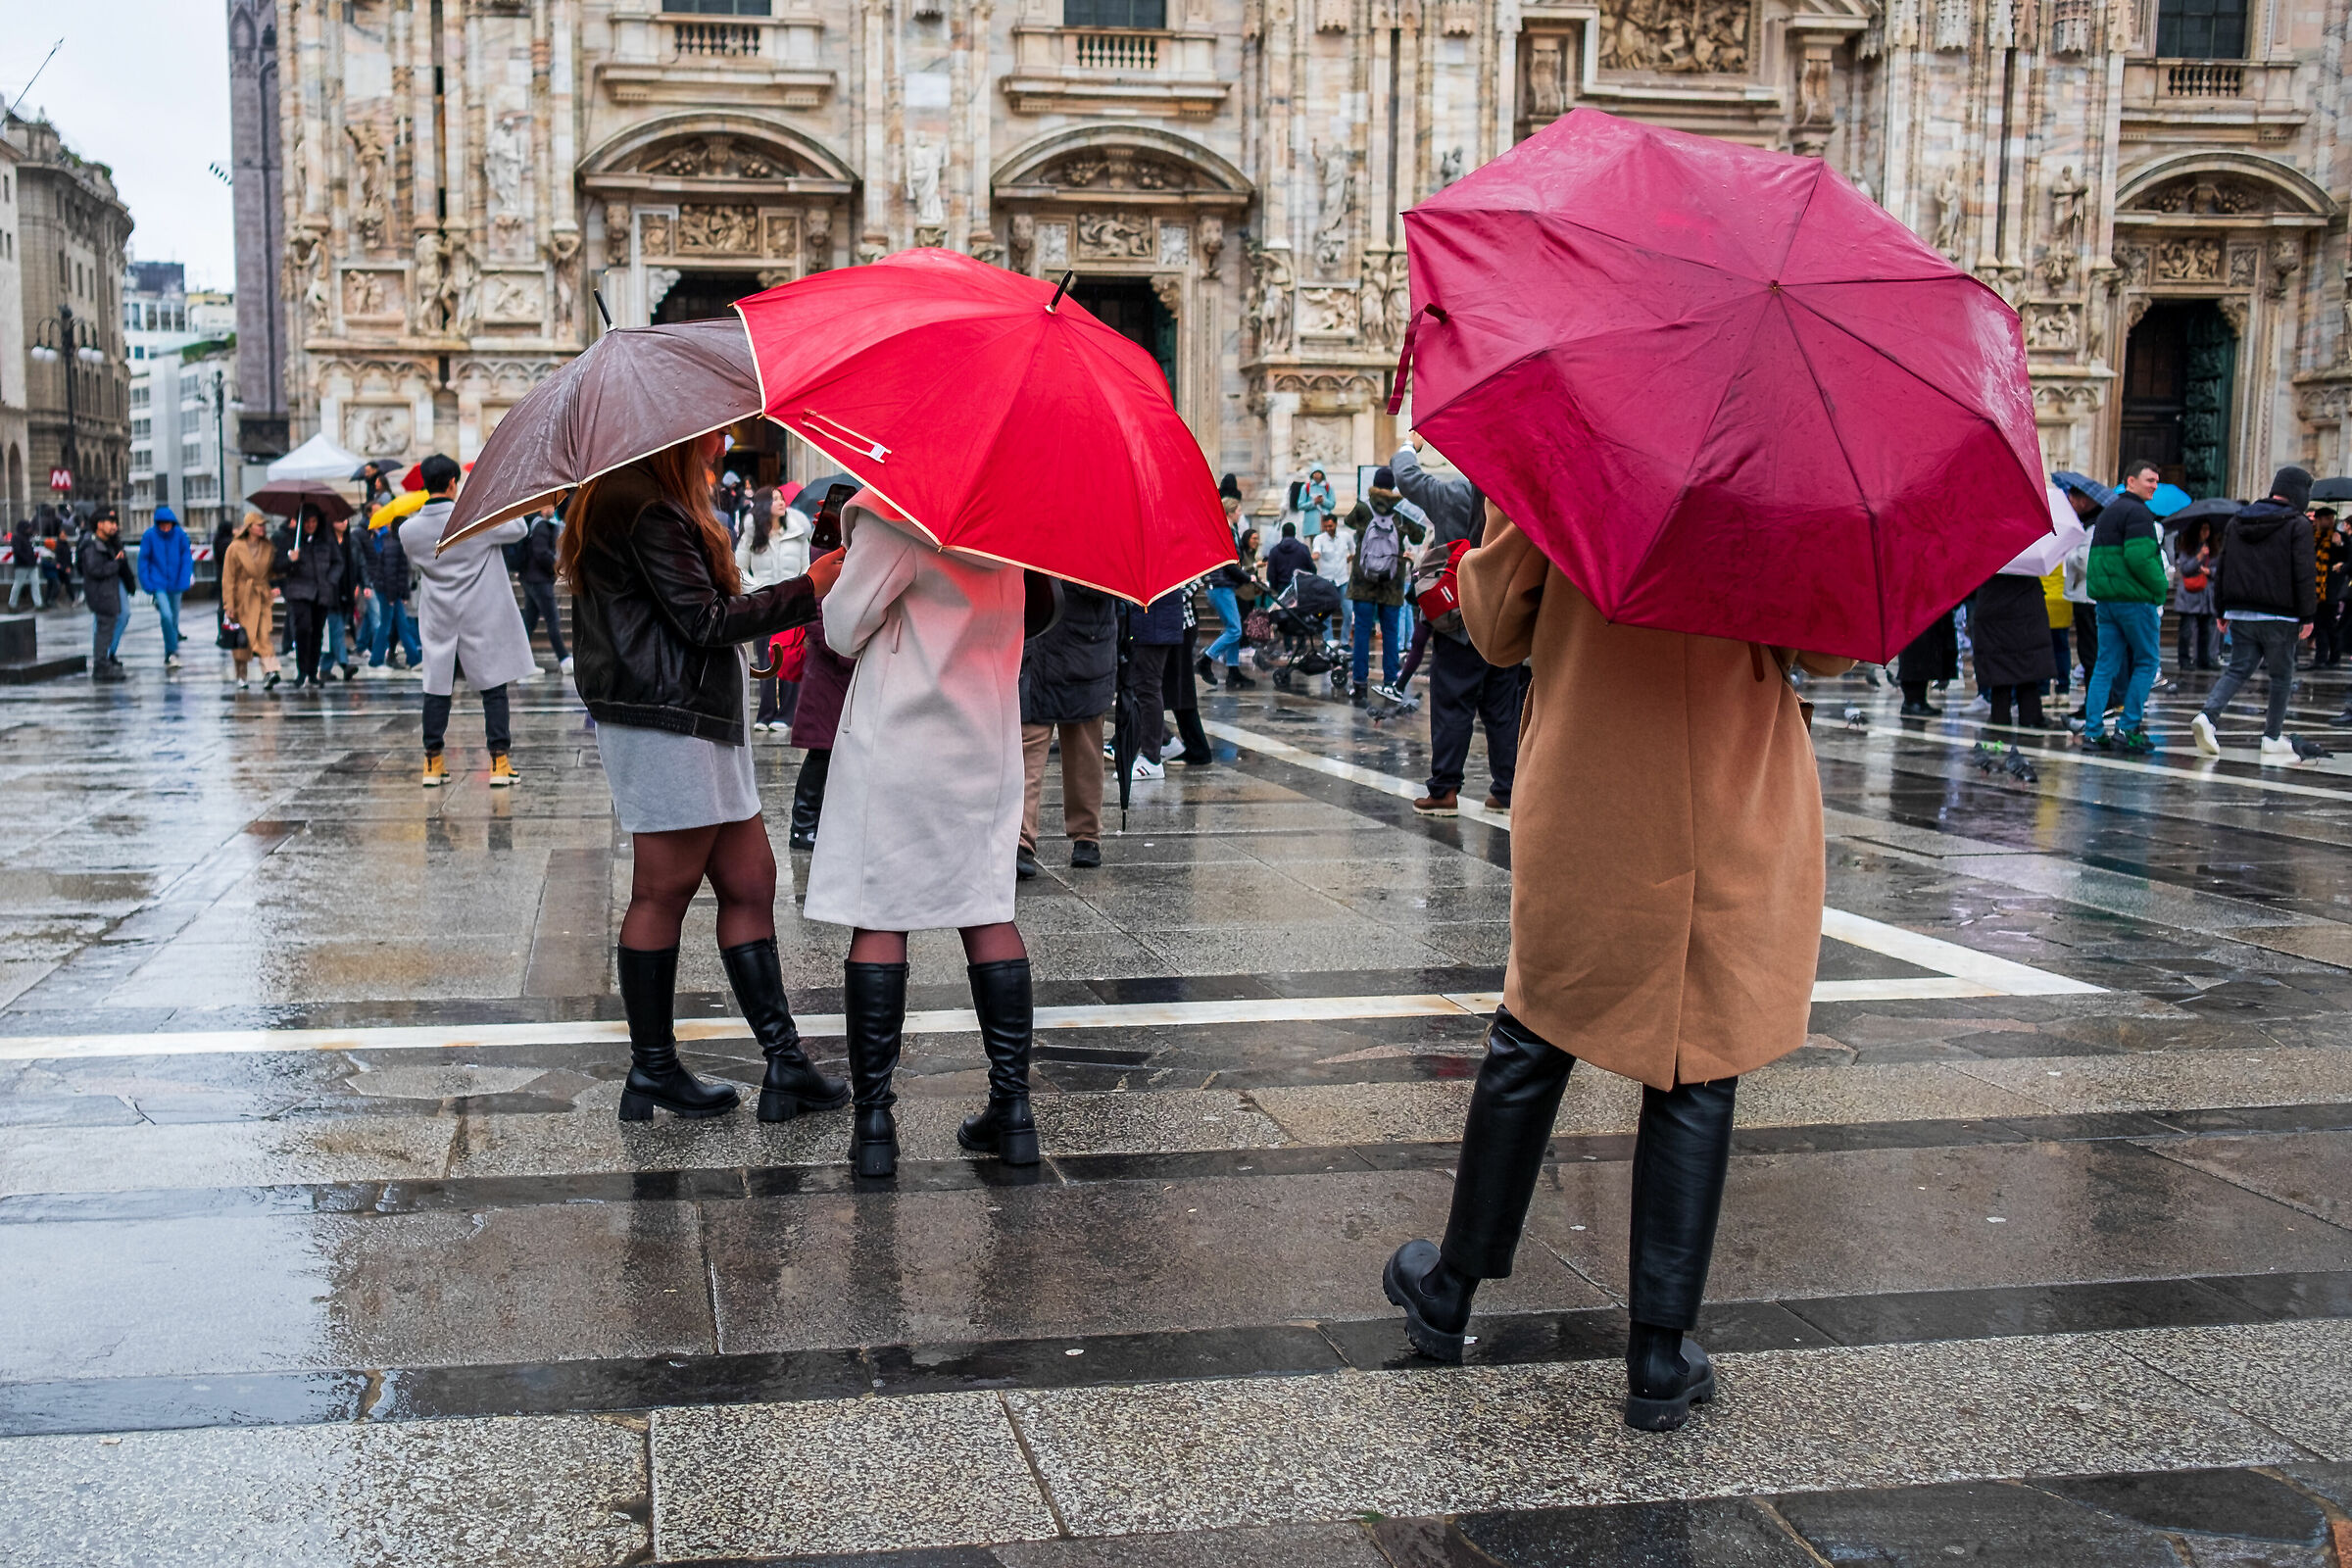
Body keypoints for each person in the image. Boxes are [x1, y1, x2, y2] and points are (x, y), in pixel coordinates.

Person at [1383, 500, 1853, 1433]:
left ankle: (1449, 1291)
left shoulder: (1568, 464)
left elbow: (1495, 628)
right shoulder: (1778, 484)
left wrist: (1485, 543)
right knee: (1698, 1060)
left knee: (1535, 1031)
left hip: (1593, 790)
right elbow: (1828, 650)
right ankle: (1658, 1358)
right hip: (1732, 796)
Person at [564, 435, 844, 1125]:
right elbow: (703, 620)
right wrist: (807, 589)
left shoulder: (649, 501)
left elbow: (687, 607)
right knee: (663, 891)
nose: (720, 447)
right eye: (712, 436)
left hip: (697, 716)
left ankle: (785, 1063)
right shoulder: (640, 505)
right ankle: (653, 1068)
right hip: (668, 720)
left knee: (750, 880)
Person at [805, 491, 1041, 1179]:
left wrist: (848, 558)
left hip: (901, 738)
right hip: (984, 733)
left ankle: (875, 1123)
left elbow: (842, 629)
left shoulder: (897, 511)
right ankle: (1013, 1111)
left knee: (880, 914)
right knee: (988, 908)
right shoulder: (1009, 516)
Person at [400, 455, 536, 787]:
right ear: (452, 483)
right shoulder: (473, 519)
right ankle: (499, 763)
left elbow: (418, 562)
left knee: (436, 688)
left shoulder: (408, 531)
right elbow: (519, 528)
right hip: (480, 615)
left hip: (439, 617)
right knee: (494, 688)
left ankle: (432, 763)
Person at [2193, 467, 2316, 762]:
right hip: (2281, 615)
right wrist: (2308, 615)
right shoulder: (2297, 524)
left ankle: (2208, 716)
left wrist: (2221, 608)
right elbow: (2304, 573)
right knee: (2281, 675)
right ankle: (2272, 737)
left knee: (2238, 669)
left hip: (2242, 611)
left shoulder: (2239, 520)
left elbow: (2224, 565)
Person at [1413, 516, 1522, 814]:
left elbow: (1409, 483)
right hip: (1506, 621)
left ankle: (1444, 790)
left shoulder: (1456, 496)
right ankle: (1507, 790)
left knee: (1453, 705)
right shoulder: (1526, 506)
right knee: (1502, 710)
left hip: (1464, 620)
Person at [1018, 580, 1115, 877]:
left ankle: (1086, 834)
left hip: (1085, 650)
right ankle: (1020, 838)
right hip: (1036, 649)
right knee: (1026, 750)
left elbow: (1107, 586)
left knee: (1085, 751)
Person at [2080, 460, 2170, 753]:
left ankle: (2093, 732)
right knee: (2147, 662)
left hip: (2107, 601)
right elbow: (2139, 558)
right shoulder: (2139, 513)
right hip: (2134, 600)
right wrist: (2160, 587)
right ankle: (2128, 727)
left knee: (2105, 664)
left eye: (2156, 481)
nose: (2154, 486)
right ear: (2130, 481)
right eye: (2149, 480)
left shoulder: (2107, 513)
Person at [1348, 470, 1427, 702]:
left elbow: (1348, 522)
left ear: (1374, 484)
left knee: (1362, 632)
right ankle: (1390, 682)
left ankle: (1359, 684)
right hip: (1392, 581)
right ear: (1393, 486)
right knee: (1391, 633)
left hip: (1363, 580)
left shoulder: (1363, 507)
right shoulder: (1401, 510)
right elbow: (1418, 537)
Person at [737, 487, 809, 731]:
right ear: (763, 505)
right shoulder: (752, 535)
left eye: (781, 498)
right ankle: (765, 713)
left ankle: (787, 714)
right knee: (765, 658)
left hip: (791, 605)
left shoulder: (798, 533)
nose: (781, 502)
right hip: (764, 605)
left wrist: (796, 589)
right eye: (774, 499)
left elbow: (806, 567)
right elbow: (739, 568)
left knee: (790, 656)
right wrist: (758, 589)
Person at [1969, 563, 2056, 728]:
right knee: (2027, 664)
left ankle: (1999, 716)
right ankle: (2031, 716)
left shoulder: (1985, 551)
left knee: (1999, 666)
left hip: (1992, 601)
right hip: (2024, 603)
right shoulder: (2027, 550)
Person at [278, 507, 345, 687]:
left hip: (322, 592)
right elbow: (278, 566)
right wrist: (291, 559)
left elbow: (338, 562)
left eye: (314, 522)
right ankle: (302, 671)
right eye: (307, 522)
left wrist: (330, 580)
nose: (310, 525)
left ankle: (312, 672)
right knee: (303, 629)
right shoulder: (292, 539)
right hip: (299, 591)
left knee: (317, 632)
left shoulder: (326, 540)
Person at [220, 511, 284, 693]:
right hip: (242, 599)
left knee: (264, 636)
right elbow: (228, 578)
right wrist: (229, 605)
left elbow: (271, 571)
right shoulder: (235, 548)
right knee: (243, 640)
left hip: (261, 596)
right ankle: (241, 675)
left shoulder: (268, 547)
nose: (263, 528)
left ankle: (270, 672)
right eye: (259, 525)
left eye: (264, 525)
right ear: (249, 527)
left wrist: (279, 576)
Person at [363, 502, 421, 671]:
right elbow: (390, 573)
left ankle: (413, 658)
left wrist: (402, 594)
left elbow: (399, 573)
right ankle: (377, 660)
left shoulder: (395, 543)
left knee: (400, 625)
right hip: (388, 592)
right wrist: (392, 596)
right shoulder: (394, 545)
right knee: (387, 625)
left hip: (391, 592)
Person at [1200, 530, 1262, 690]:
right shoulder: (1224, 533)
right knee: (1235, 630)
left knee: (1234, 629)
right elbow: (1229, 564)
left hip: (1223, 586)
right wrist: (1247, 577)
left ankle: (1233, 670)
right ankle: (1206, 660)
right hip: (1221, 586)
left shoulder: (1224, 532)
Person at [135, 506, 195, 670]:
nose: (166, 528)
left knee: (173, 620)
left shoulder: (180, 536)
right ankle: (171, 652)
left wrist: (184, 579)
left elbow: (186, 559)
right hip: (158, 583)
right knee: (167, 616)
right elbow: (143, 560)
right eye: (163, 524)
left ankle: (170, 653)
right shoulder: (149, 536)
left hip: (176, 583)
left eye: (168, 524)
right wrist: (147, 583)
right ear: (158, 524)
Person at [513, 507, 569, 673]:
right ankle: (564, 659)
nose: (553, 509)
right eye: (549, 506)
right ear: (542, 509)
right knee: (552, 619)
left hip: (530, 577)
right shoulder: (542, 526)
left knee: (529, 621)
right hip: (539, 580)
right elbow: (541, 552)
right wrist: (555, 566)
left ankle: (520, 662)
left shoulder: (535, 524)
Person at [78, 510, 131, 682]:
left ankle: (103, 664)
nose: (114, 526)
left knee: (106, 629)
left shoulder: (108, 543)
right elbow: (95, 569)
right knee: (103, 630)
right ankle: (101, 666)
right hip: (101, 595)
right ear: (99, 525)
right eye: (110, 522)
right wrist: (116, 563)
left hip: (107, 593)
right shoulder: (92, 545)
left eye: (115, 523)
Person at [2172, 517, 2219, 671]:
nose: (2206, 533)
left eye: (2208, 529)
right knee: (2186, 630)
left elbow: (2219, 568)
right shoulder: (2187, 548)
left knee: (2205, 629)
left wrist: (2209, 571)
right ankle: (2184, 659)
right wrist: (2199, 557)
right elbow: (2185, 569)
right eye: (2203, 529)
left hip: (2206, 594)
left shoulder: (2213, 549)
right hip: (2189, 593)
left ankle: (2204, 659)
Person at [1265, 520, 1313, 597]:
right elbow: (1312, 569)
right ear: (1294, 533)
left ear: (1282, 533)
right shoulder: (1303, 549)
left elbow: (1271, 574)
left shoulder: (1274, 551)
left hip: (1282, 587)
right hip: (1301, 587)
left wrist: (1274, 588)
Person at [10, 518, 45, 609]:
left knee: (34, 584)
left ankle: (38, 604)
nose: (30, 529)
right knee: (19, 584)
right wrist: (28, 559)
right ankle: (12, 604)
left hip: (27, 564)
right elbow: (18, 551)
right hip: (23, 564)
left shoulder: (23, 537)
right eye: (28, 528)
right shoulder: (18, 538)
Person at [1298, 467, 1335, 537]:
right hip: (1310, 525)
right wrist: (1313, 502)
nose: (1317, 475)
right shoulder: (1306, 487)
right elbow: (1300, 505)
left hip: (1325, 524)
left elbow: (1332, 504)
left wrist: (1323, 501)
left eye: (1319, 473)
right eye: (1315, 473)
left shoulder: (1328, 487)